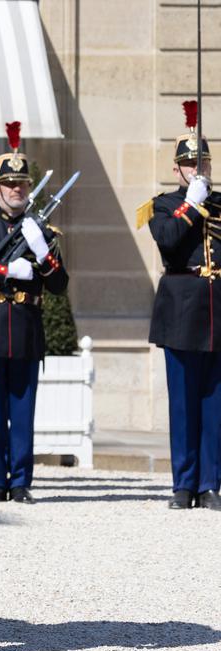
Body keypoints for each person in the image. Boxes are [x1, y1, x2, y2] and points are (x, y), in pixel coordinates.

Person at [0, 121, 69, 505]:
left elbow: (60, 284)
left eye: (22, 184)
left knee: (23, 412)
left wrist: (42, 252)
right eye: (10, 184)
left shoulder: (40, 230)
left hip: (27, 329)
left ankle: (21, 481)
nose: (17, 190)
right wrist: (5, 270)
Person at [140, 100, 221, 510]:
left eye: (202, 163)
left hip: (217, 312)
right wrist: (192, 201)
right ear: (178, 170)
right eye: (190, 165)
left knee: (214, 403)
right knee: (184, 402)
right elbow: (169, 241)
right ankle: (183, 483)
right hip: (181, 311)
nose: (198, 170)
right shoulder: (164, 205)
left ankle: (210, 484)